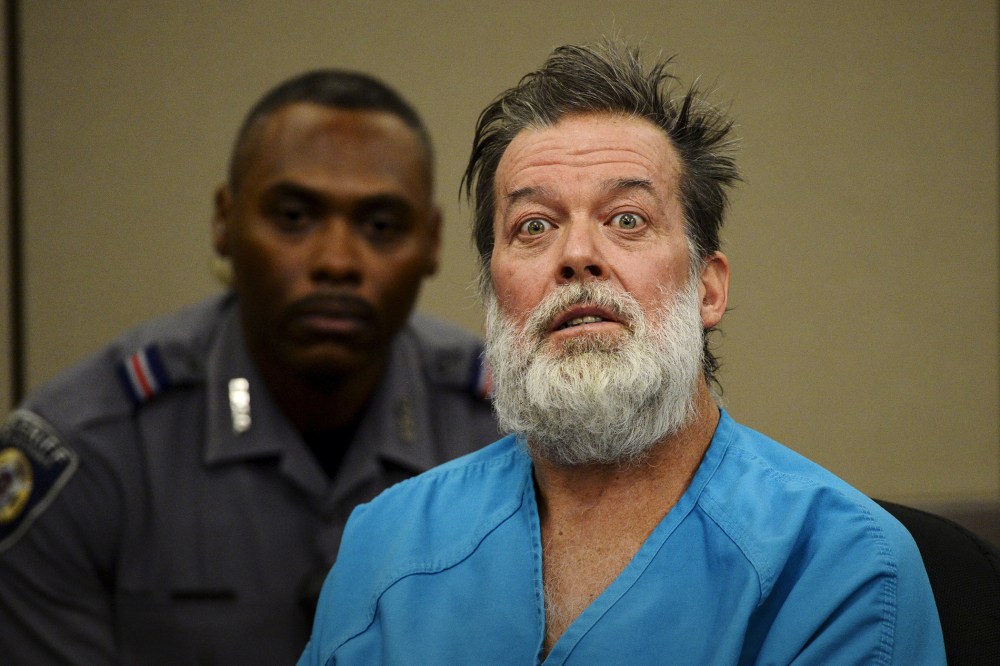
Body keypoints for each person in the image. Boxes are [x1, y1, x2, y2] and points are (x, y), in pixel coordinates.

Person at [299, 42, 946, 664]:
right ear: (495, 298)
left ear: (709, 288)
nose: (577, 255)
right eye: (534, 227)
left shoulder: (843, 568)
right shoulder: (385, 546)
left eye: (627, 219)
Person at [0, 70, 499, 664]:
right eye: (293, 217)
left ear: (434, 241)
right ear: (224, 221)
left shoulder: (506, 430)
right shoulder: (90, 452)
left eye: (381, 226)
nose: (336, 261)